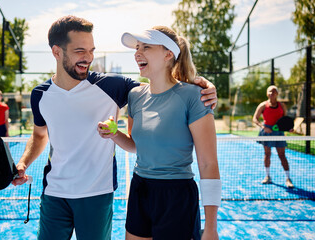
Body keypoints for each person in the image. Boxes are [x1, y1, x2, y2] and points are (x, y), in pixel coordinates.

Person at [11, 16, 218, 240]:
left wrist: (203, 84)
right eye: (80, 51)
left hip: (101, 194)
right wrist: (23, 162)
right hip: (56, 193)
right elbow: (40, 135)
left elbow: (164, 87)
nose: (88, 57)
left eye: (91, 50)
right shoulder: (40, 95)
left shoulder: (113, 86)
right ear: (57, 52)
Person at [98, 26, 221, 240]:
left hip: (176, 195)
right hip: (140, 188)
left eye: (146, 47)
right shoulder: (135, 96)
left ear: (168, 54)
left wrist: (211, 228)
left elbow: (209, 164)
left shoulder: (195, 96)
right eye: (137, 48)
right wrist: (114, 134)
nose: (137, 53)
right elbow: (135, 145)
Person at [253, 85, 294, 188]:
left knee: (282, 155)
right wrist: (263, 127)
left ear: (277, 94)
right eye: (270, 92)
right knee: (267, 154)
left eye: (274, 92)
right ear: (267, 94)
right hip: (266, 132)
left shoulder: (282, 105)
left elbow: (285, 120)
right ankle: (267, 176)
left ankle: (288, 179)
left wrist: (288, 128)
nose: (272, 93)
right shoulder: (263, 105)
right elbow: (255, 118)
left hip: (279, 133)